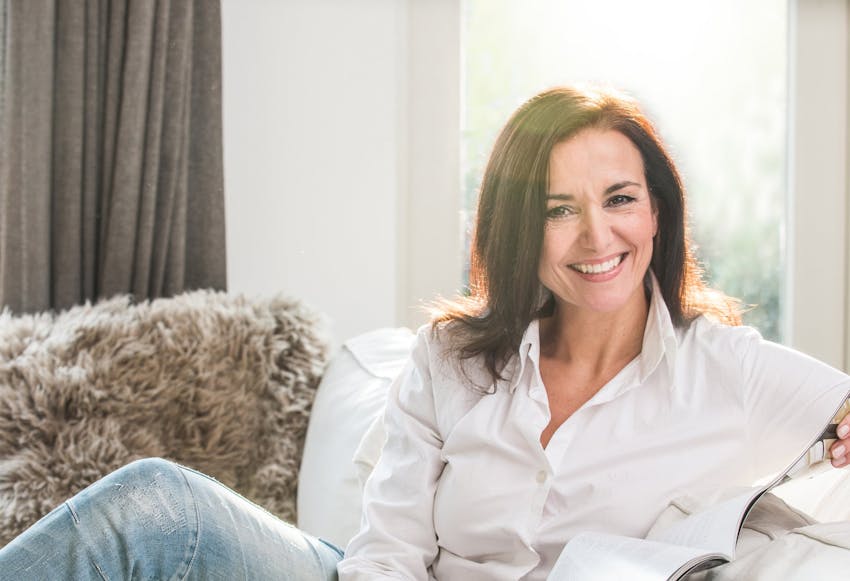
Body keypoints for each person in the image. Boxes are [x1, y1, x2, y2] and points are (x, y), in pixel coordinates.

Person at [1, 85, 849, 580]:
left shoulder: (729, 370)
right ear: (520, 229)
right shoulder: (453, 357)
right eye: (559, 210)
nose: (597, 237)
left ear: (657, 212)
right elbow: (389, 547)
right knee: (159, 505)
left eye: (620, 199)